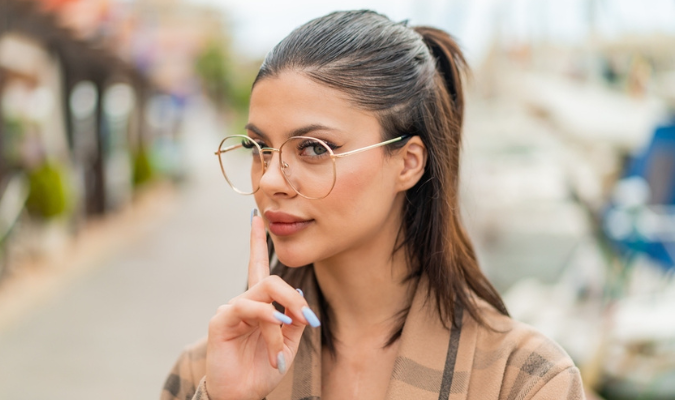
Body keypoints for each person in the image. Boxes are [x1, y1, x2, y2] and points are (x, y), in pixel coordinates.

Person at [161, 10, 585, 400]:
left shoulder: (523, 380)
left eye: (313, 148)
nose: (270, 179)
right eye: (259, 147)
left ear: (408, 162)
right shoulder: (209, 371)